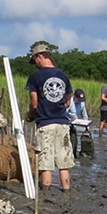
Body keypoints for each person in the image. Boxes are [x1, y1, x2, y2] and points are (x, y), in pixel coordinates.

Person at [25, 43, 74, 192]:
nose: (35, 65)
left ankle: (46, 193)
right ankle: (66, 192)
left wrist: (29, 116)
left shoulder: (35, 77)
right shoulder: (63, 76)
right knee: (63, 162)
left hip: (45, 124)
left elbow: (34, 104)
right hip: (62, 123)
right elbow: (68, 102)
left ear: (39, 56)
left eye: (35, 61)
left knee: (46, 162)